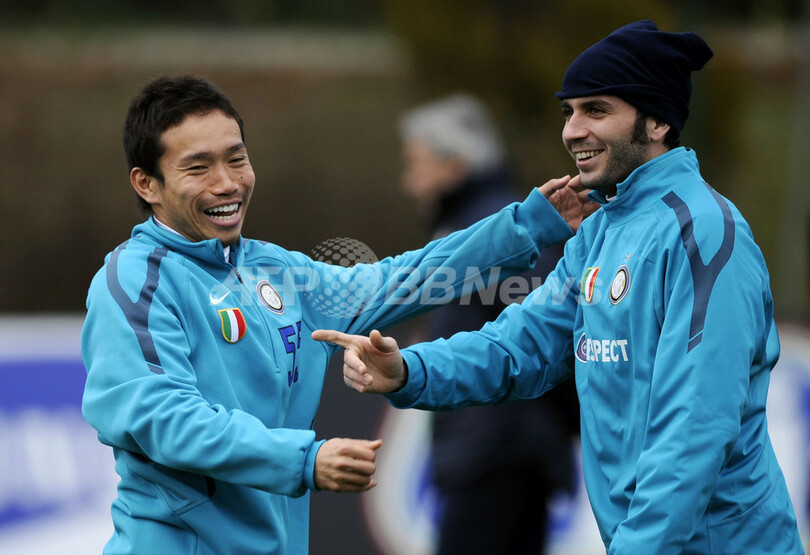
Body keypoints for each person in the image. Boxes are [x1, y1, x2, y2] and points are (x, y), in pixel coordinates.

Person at [314, 20, 805, 554]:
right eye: (569, 111)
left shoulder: (703, 232)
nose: (572, 130)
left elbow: (696, 426)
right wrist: (409, 371)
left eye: (596, 110)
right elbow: (519, 346)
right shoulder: (599, 231)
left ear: (659, 120)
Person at [80, 75, 592, 554]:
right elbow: (165, 418)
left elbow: (401, 279)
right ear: (147, 184)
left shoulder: (275, 269)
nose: (227, 182)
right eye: (198, 167)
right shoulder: (134, 281)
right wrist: (303, 459)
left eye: (236, 159)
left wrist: (529, 225)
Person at [397, 93, 578, 554]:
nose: (410, 183)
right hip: (506, 452)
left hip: (499, 457)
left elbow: (548, 333)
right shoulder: (487, 222)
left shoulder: (494, 231)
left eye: (416, 164)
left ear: (453, 164)